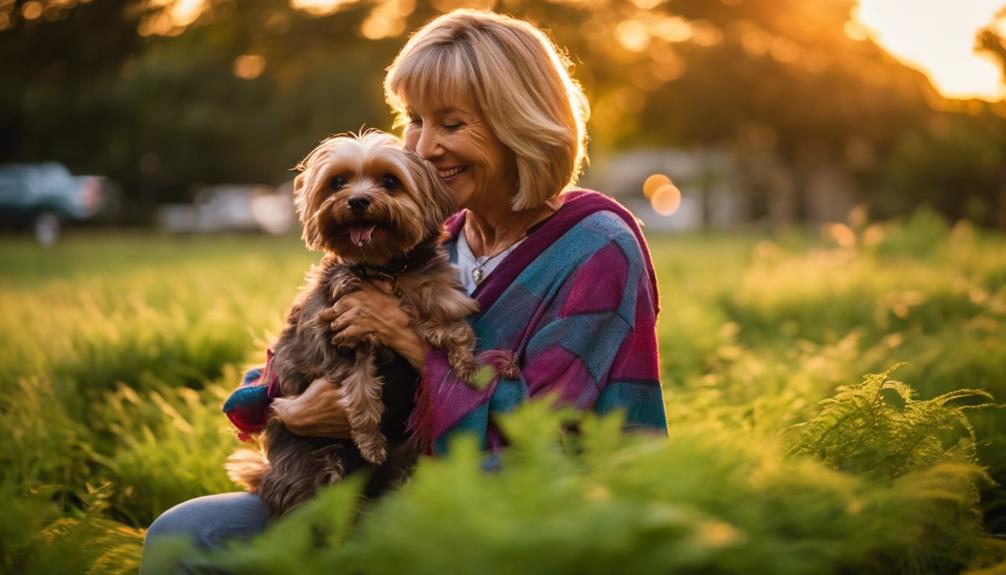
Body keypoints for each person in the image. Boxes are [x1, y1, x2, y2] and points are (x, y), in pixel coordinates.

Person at [141, 9, 667, 572]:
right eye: (414, 119)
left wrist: (407, 341)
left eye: (452, 123)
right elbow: (303, 351)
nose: (424, 146)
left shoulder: (594, 249)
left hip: (519, 509)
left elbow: (544, 434)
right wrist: (293, 409)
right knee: (182, 535)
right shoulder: (432, 234)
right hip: (385, 484)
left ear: (519, 122)